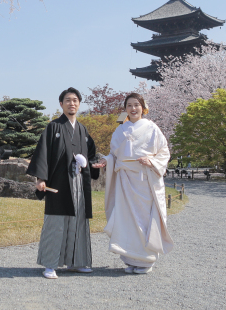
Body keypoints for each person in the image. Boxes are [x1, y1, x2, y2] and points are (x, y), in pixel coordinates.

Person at [26, 87, 101, 279]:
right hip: (58, 184)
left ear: (79, 103)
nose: (72, 103)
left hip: (79, 184)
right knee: (56, 223)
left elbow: (91, 155)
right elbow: (42, 153)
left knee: (78, 223)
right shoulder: (54, 127)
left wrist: (93, 164)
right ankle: (50, 265)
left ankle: (77, 262)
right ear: (61, 104)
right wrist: (41, 178)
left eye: (75, 100)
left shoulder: (82, 130)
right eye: (68, 100)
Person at [98, 92, 174, 274]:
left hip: (144, 180)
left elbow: (164, 151)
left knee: (144, 217)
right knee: (127, 218)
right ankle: (131, 258)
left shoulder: (152, 128)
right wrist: (107, 162)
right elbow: (114, 155)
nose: (133, 109)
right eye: (129, 105)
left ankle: (146, 259)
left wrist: (152, 162)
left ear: (143, 107)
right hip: (125, 180)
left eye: (136, 105)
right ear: (125, 109)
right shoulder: (120, 130)